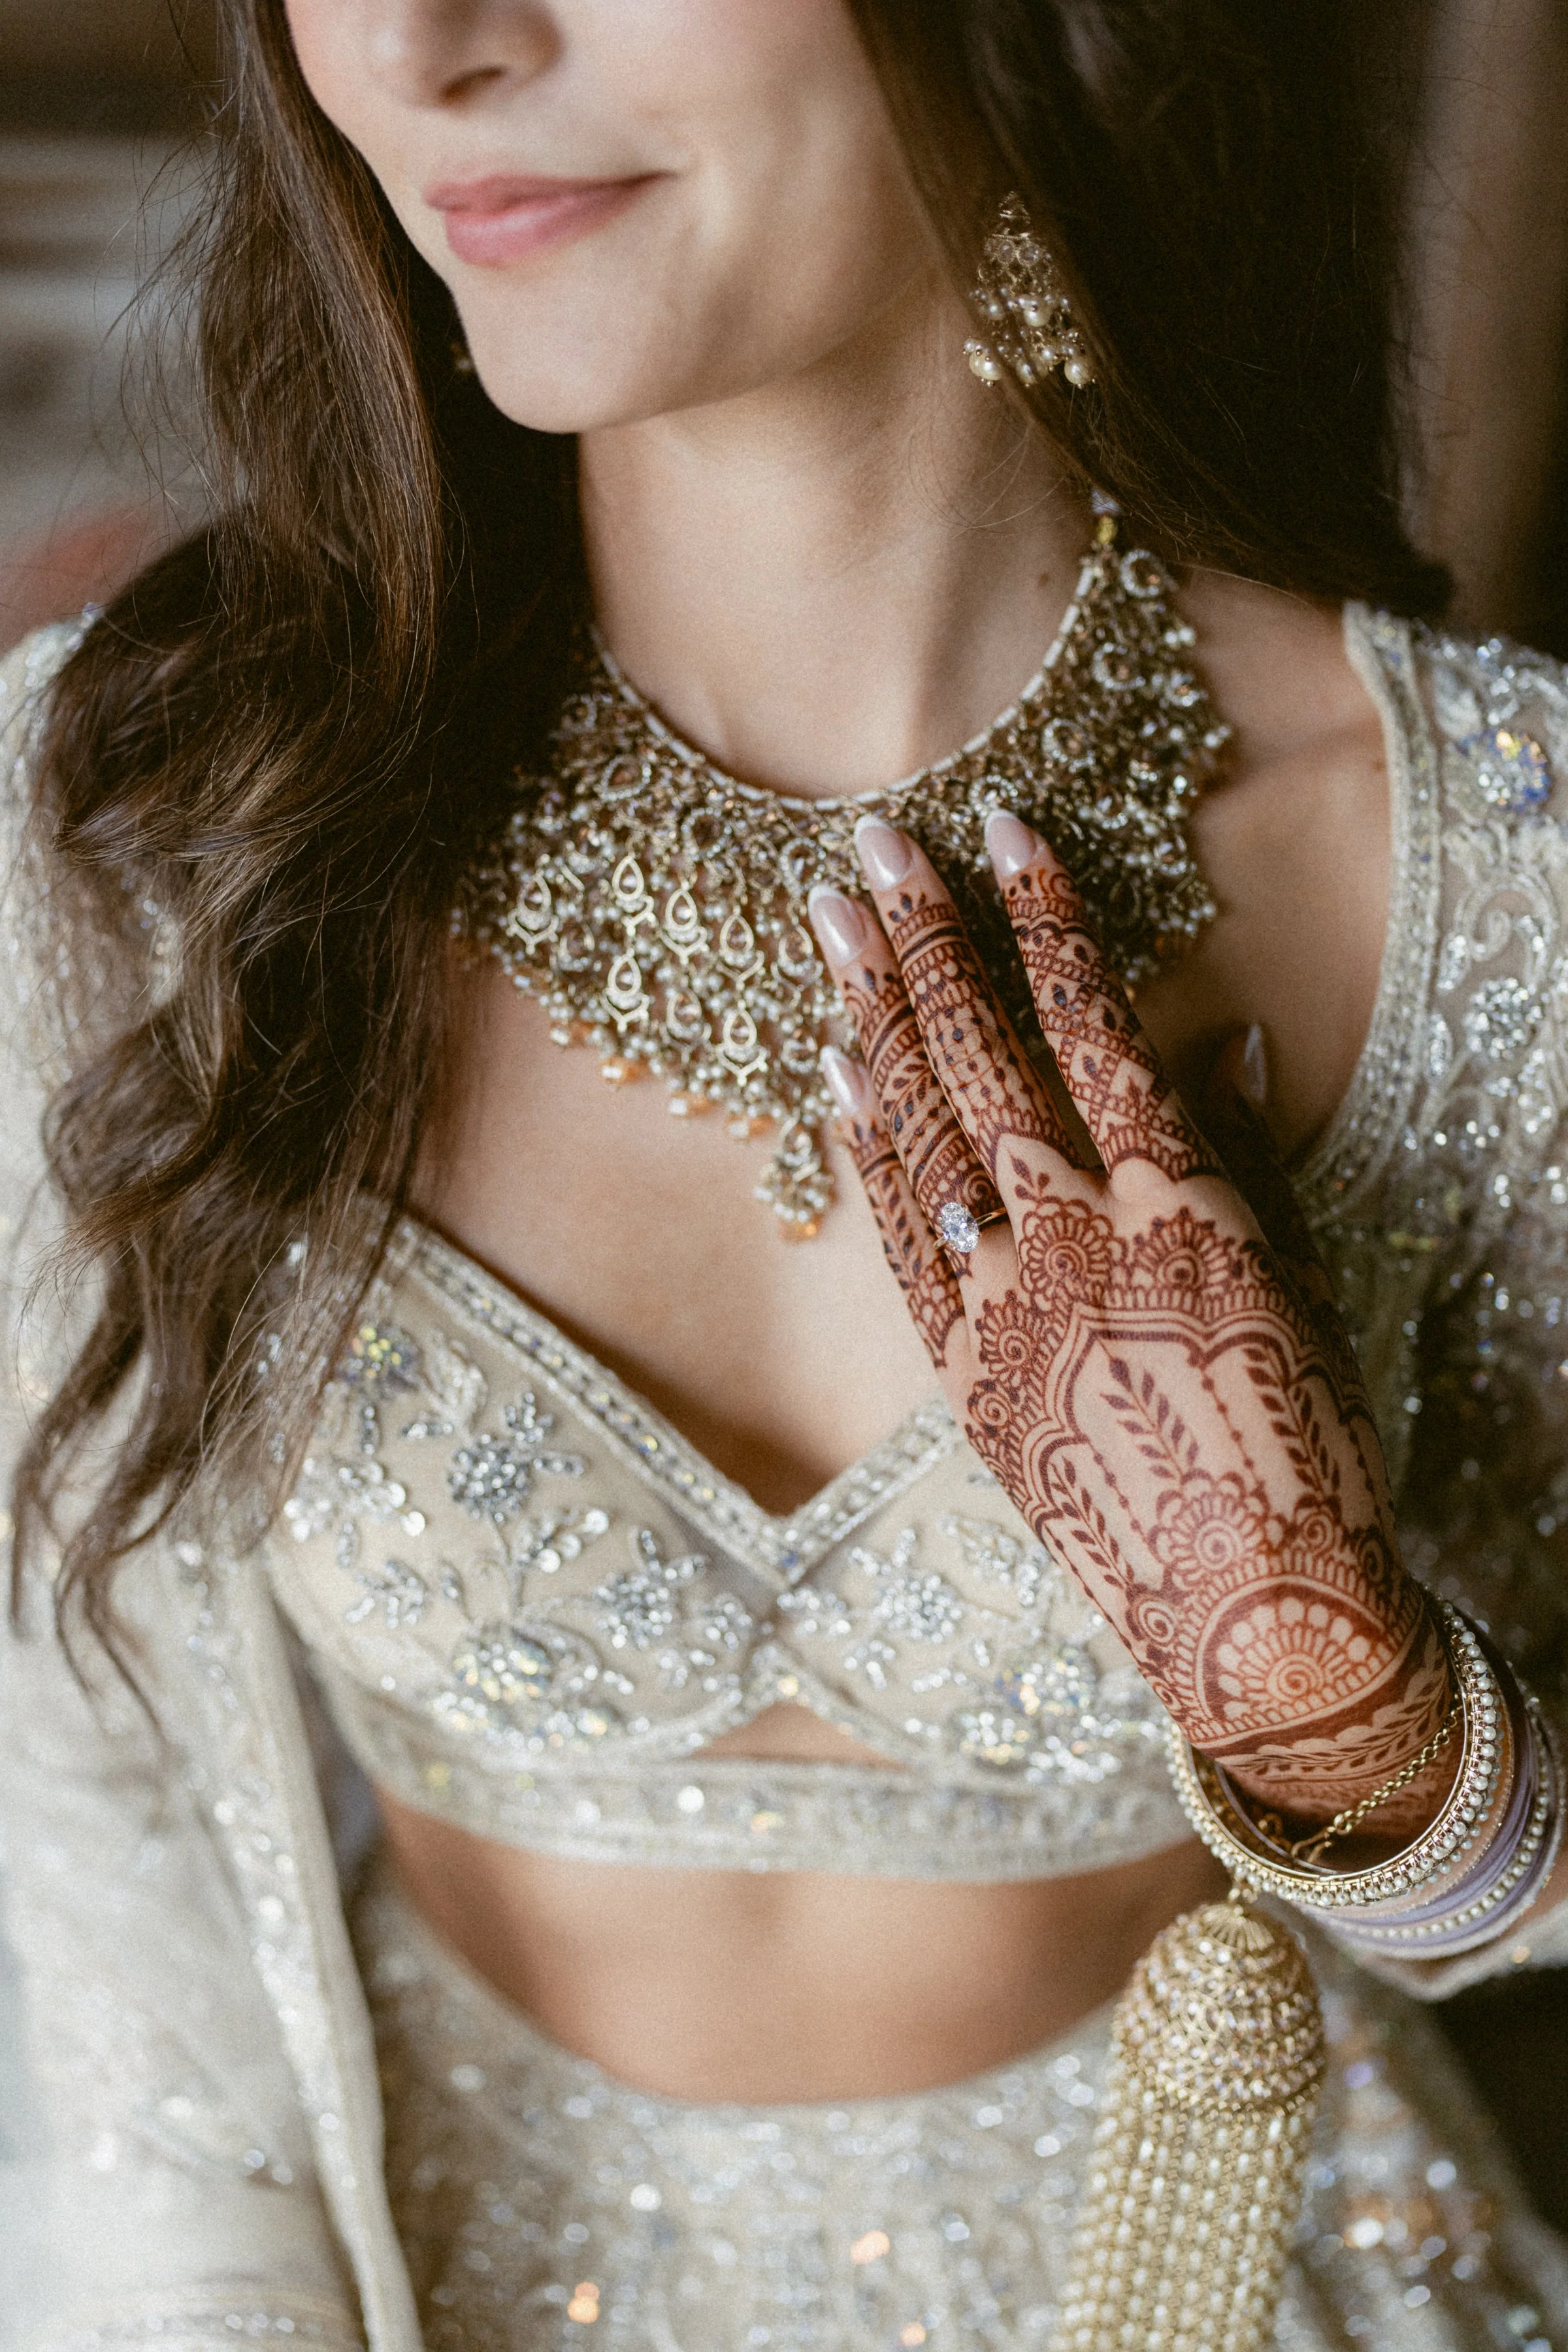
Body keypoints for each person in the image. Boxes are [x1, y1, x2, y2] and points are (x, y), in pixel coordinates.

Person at [5, 2, 1568, 2346]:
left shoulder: (1496, 867)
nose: (428, 48)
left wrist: (1360, 1719)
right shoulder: (136, 845)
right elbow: (103, 1919)